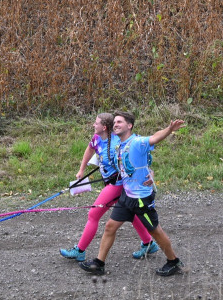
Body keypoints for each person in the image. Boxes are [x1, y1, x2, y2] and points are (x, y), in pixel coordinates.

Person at [79, 111, 185, 277]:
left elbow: (154, 138)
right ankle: (99, 263)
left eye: (120, 122)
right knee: (109, 227)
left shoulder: (136, 141)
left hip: (141, 198)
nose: (116, 124)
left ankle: (174, 262)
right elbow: (139, 163)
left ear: (130, 125)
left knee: (155, 231)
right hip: (127, 196)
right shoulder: (119, 146)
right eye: (115, 122)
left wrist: (169, 129)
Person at [59, 113, 159, 263]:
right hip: (113, 184)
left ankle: (80, 251)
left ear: (104, 127)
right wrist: (81, 170)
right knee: (132, 214)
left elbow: (142, 151)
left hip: (117, 185)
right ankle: (148, 243)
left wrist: (149, 172)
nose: (93, 125)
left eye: (96, 123)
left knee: (93, 214)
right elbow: (89, 150)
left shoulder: (118, 143)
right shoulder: (97, 138)